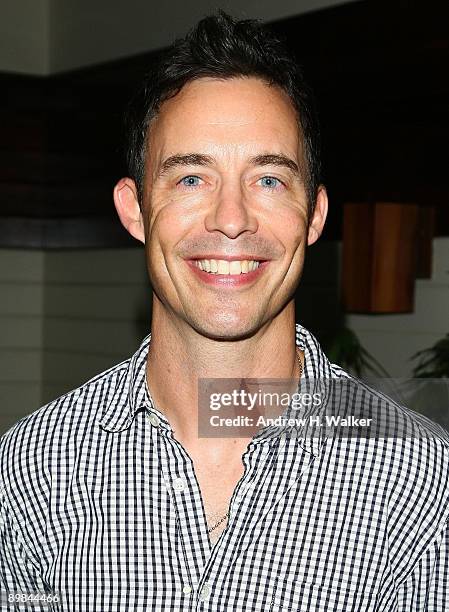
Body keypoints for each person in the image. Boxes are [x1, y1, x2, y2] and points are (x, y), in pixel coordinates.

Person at [1, 10, 448, 612]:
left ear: (313, 216)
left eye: (268, 179)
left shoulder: (421, 483)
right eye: (190, 179)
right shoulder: (34, 468)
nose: (231, 219)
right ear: (134, 210)